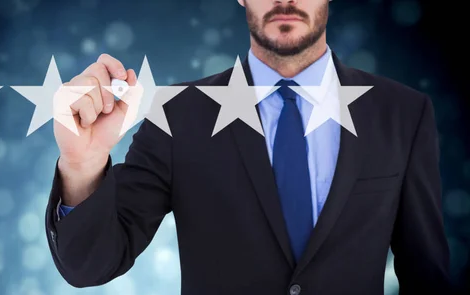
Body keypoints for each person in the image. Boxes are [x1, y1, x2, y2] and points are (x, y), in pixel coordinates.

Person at [44, 0, 452, 294]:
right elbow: (91, 266)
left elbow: (426, 276)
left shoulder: (401, 113)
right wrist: (83, 163)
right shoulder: (178, 114)